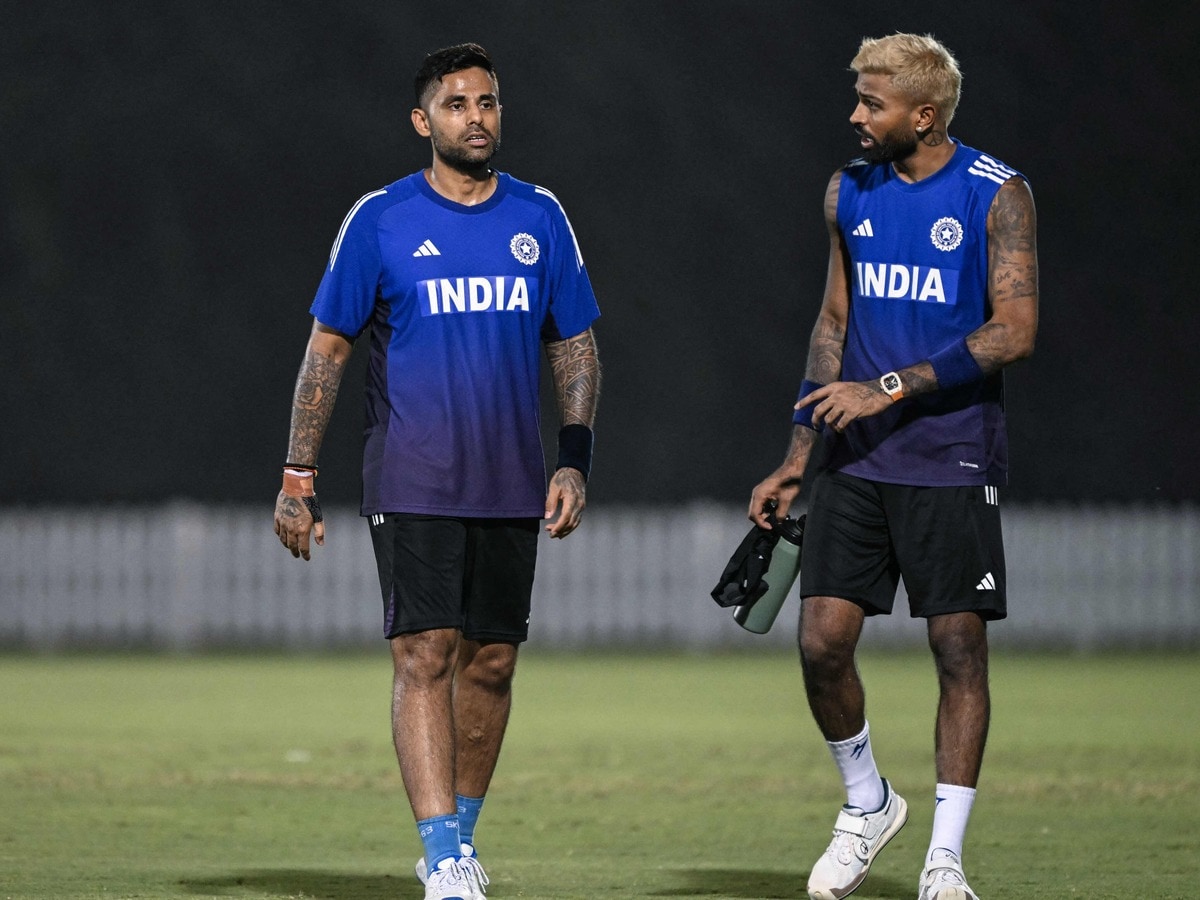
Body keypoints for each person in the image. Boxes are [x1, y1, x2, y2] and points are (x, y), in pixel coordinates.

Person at [272, 42, 602, 900]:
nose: (475, 118)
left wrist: (573, 460)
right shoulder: (380, 219)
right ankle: (445, 859)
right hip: (412, 474)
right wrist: (299, 474)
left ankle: (455, 842)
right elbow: (327, 351)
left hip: (510, 478)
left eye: (486, 102)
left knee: (491, 664)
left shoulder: (540, 216)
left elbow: (574, 345)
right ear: (423, 121)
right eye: (456, 105)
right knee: (425, 653)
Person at [748, 33, 1038, 900]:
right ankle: (868, 801)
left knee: (957, 649)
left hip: (952, 453)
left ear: (925, 114)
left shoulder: (997, 193)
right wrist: (797, 456)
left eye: (872, 103)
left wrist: (889, 387)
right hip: (855, 460)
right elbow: (833, 323)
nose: (855, 116)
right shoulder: (849, 190)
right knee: (821, 643)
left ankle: (944, 860)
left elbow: (1015, 331)